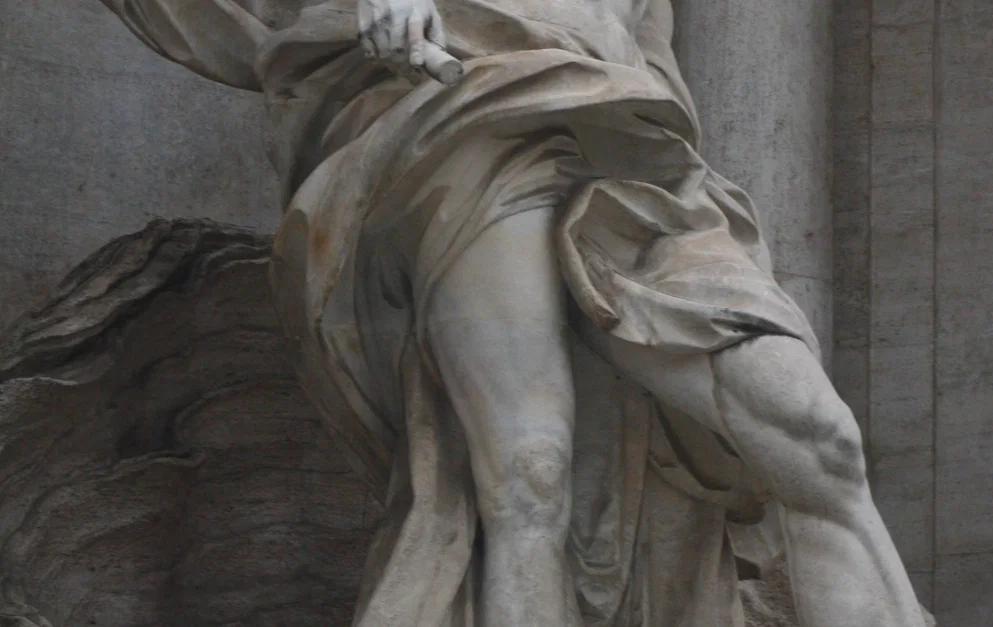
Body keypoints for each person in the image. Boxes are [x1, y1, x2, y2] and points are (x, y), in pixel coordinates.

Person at [99, 0, 932, 625]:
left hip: (633, 152)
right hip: (465, 120)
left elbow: (652, 47)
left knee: (821, 442)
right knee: (529, 473)